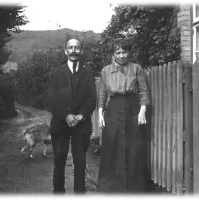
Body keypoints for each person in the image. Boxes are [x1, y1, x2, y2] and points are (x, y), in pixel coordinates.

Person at [97, 38, 150, 193]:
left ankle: (134, 190)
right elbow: (102, 93)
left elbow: (143, 91)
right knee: (112, 147)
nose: (121, 55)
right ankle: (111, 190)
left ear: (129, 52)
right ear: (114, 54)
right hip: (113, 110)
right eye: (118, 52)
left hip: (133, 109)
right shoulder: (106, 70)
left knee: (133, 148)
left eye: (124, 52)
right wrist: (100, 114)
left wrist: (142, 110)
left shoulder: (136, 68)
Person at [48, 38, 96, 194]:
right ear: (65, 51)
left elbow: (92, 98)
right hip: (60, 123)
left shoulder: (88, 73)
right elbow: (52, 98)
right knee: (59, 161)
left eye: (77, 48)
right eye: (71, 47)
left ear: (81, 51)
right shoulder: (56, 73)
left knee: (80, 163)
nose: (74, 50)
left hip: (81, 125)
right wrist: (66, 116)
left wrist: (81, 115)